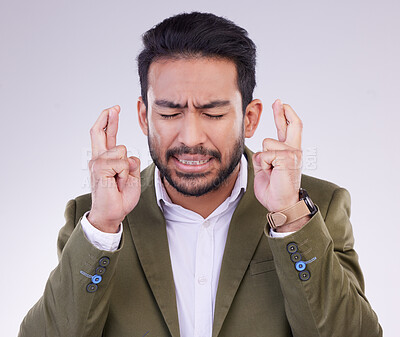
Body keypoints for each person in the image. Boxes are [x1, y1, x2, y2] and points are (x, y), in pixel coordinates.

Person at [19, 11, 382, 337]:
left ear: (250, 118)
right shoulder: (95, 218)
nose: (190, 138)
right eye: (170, 113)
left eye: (213, 113)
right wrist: (103, 228)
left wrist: (289, 220)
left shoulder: (315, 208)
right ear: (144, 116)